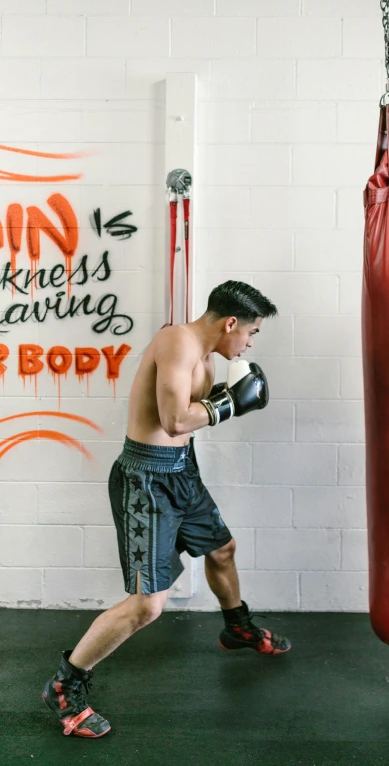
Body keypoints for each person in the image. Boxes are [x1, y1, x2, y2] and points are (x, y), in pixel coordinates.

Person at [42, 280, 292, 738]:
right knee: (146, 607)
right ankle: (65, 684)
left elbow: (193, 418)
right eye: (251, 332)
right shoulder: (176, 341)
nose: (251, 343)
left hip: (180, 471)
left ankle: (237, 627)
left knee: (222, 549)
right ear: (230, 322)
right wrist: (231, 403)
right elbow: (174, 419)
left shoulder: (209, 355)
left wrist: (224, 399)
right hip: (146, 481)